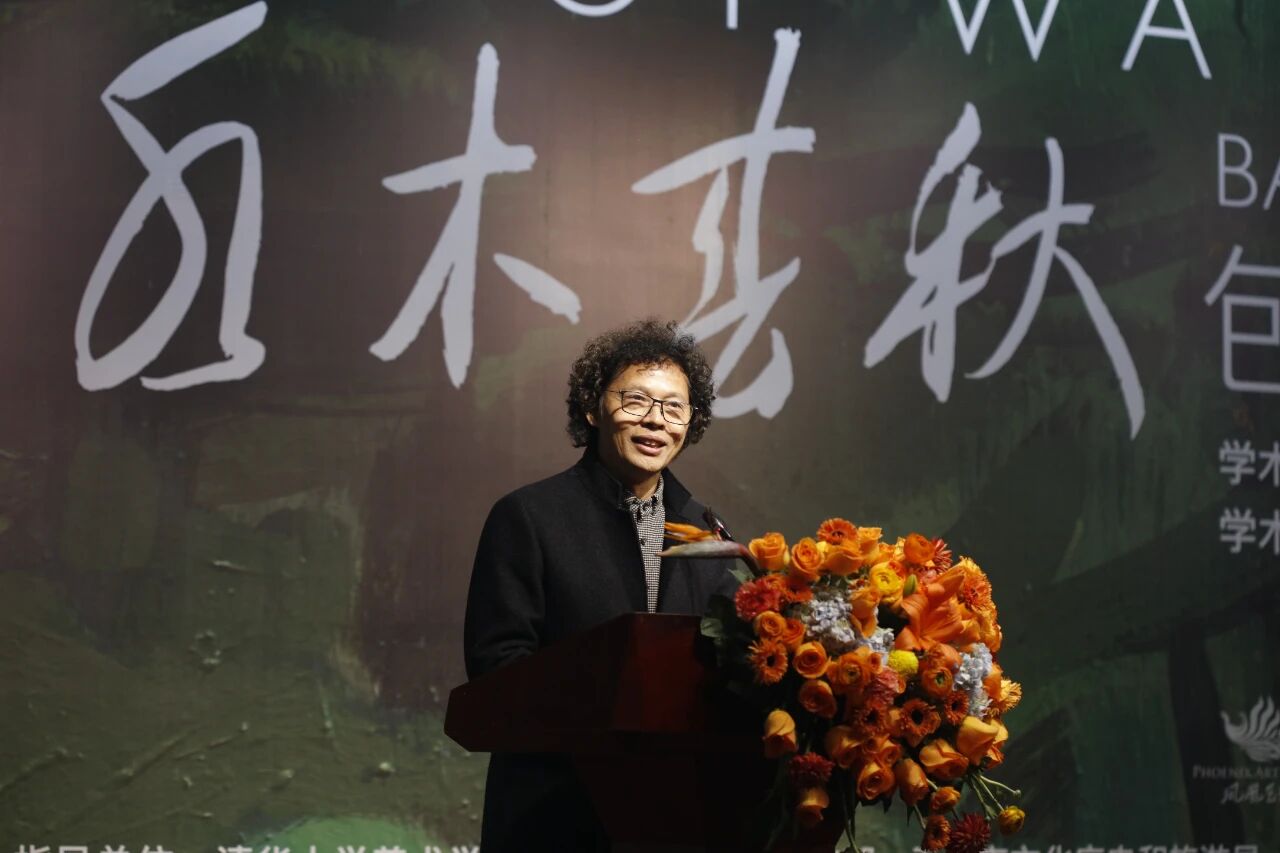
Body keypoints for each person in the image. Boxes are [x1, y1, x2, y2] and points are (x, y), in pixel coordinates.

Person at [463, 318, 738, 852]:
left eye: (674, 408)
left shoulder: (711, 533)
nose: (655, 420)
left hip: (676, 818)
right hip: (554, 815)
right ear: (592, 407)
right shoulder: (529, 516)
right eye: (636, 401)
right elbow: (498, 666)